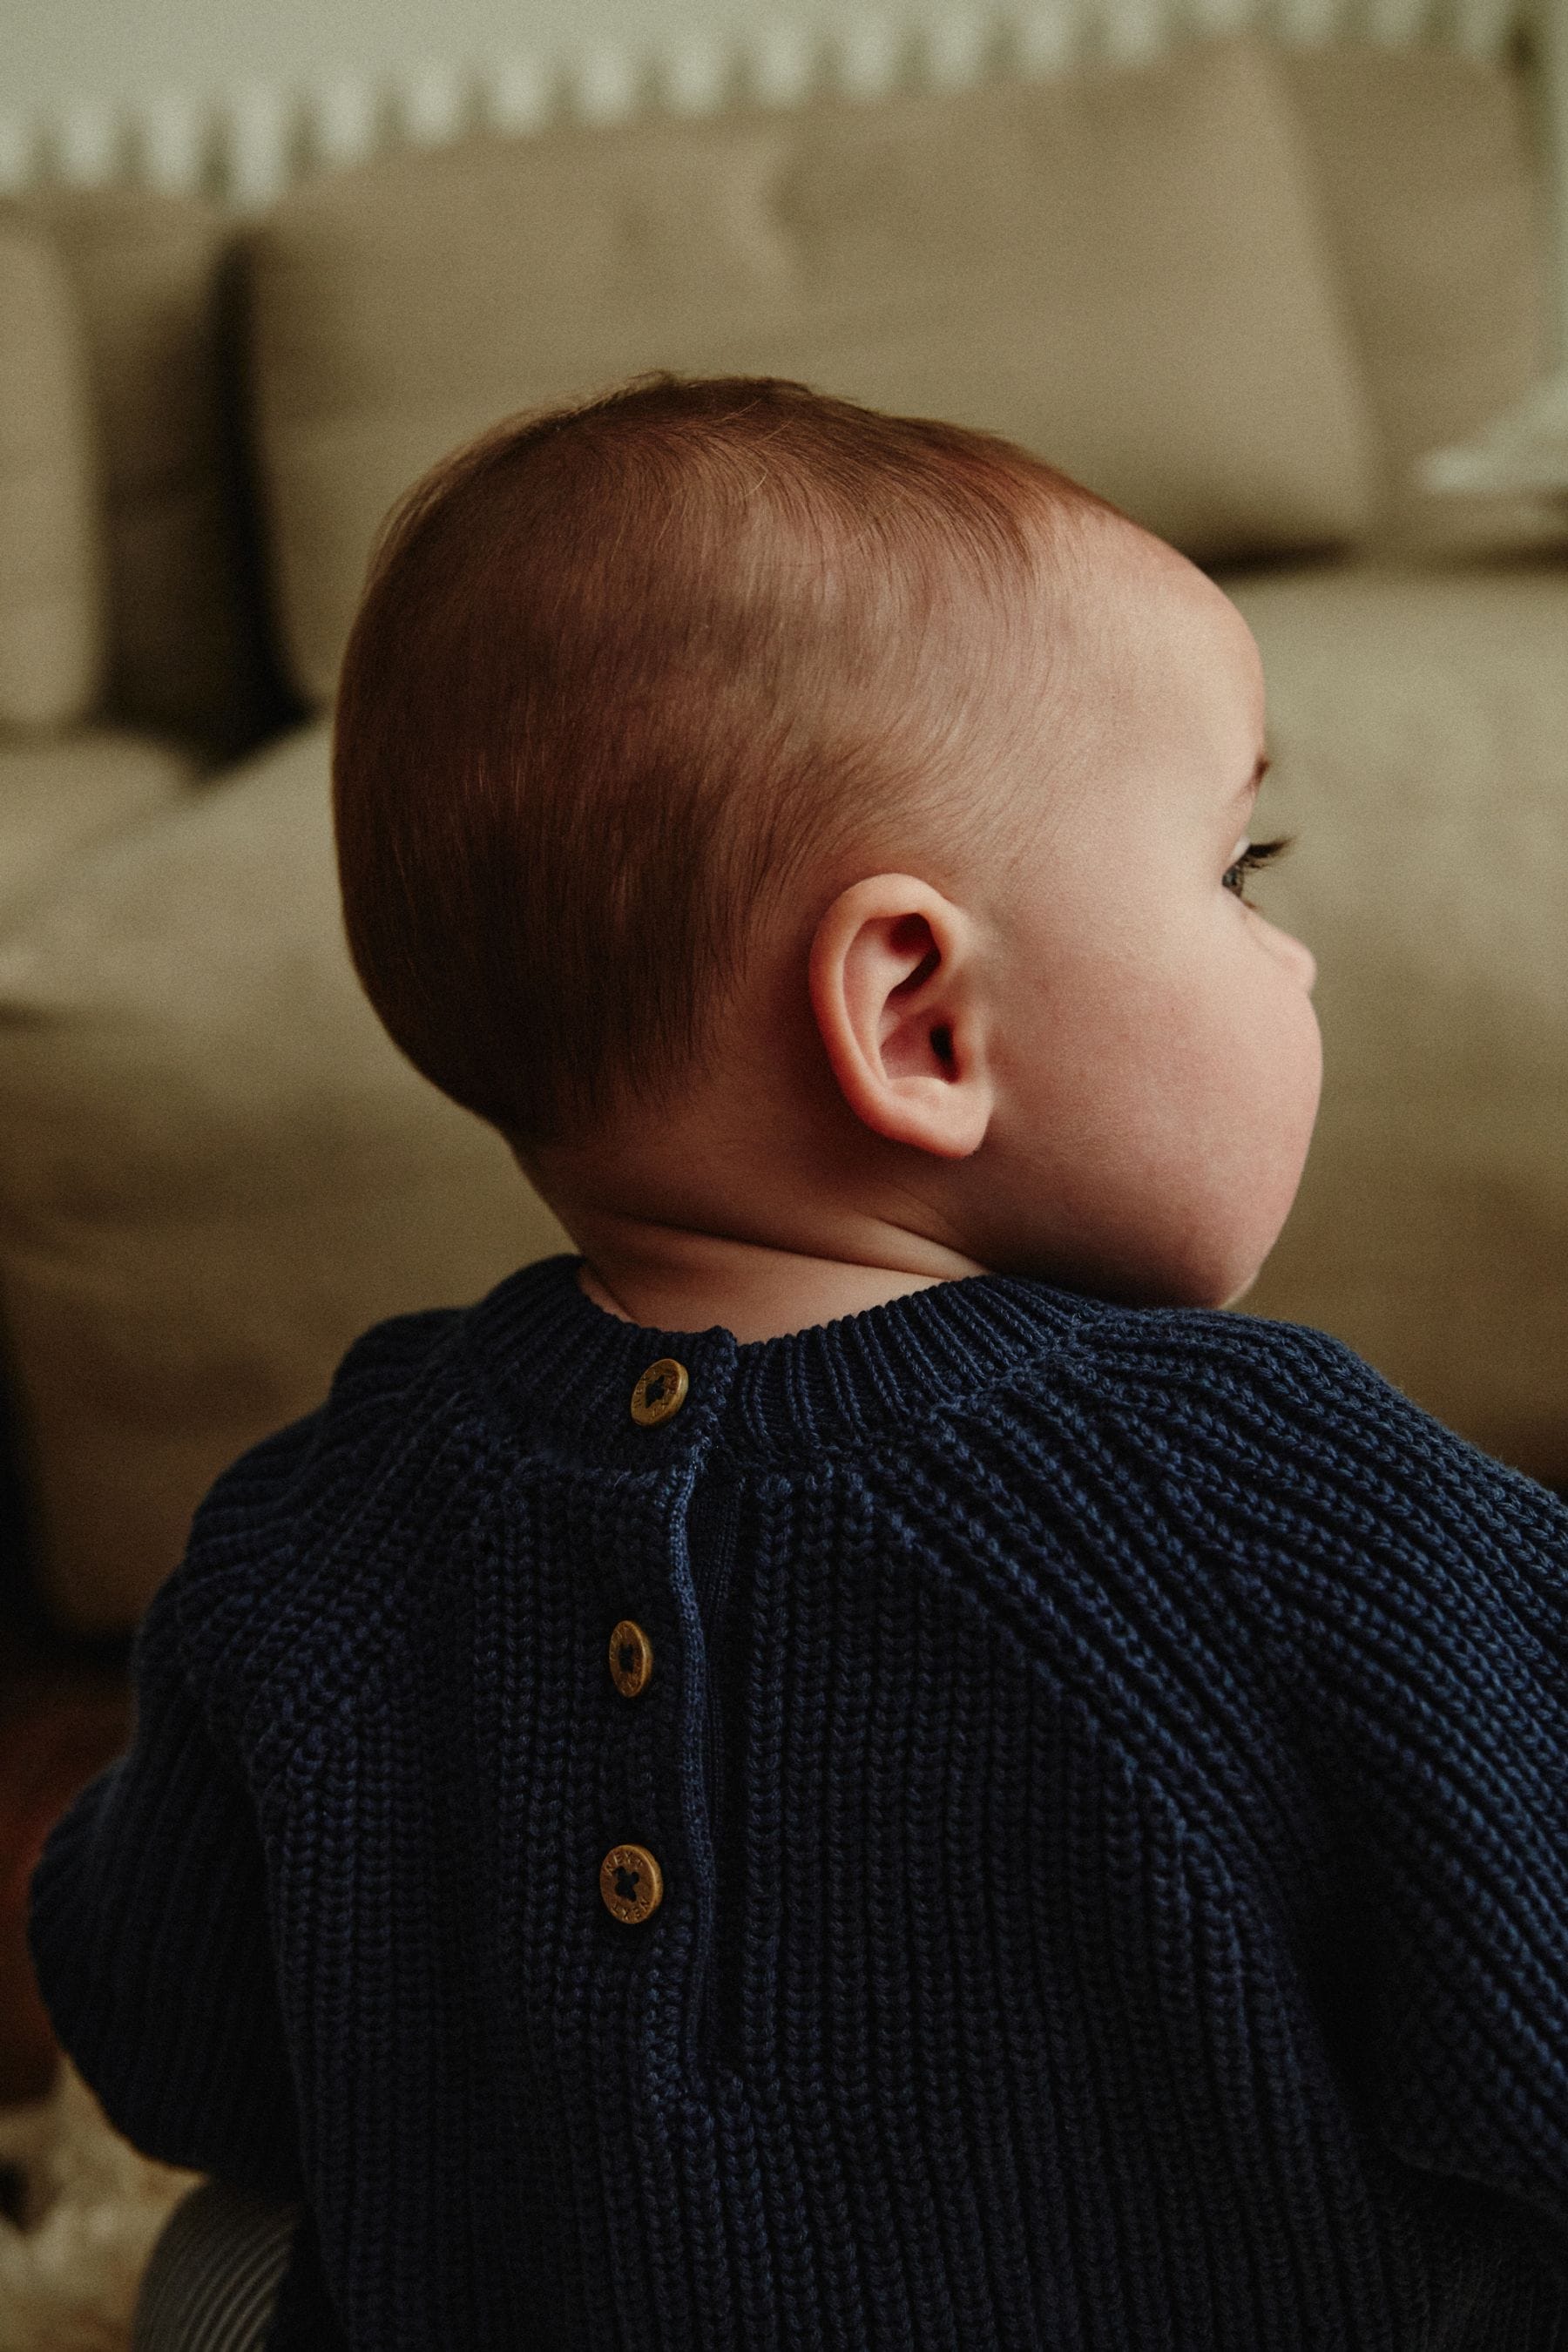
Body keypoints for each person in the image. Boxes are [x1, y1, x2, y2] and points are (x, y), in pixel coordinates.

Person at [29, 373, 1568, 2350]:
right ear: (918, 1016)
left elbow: (169, 2049)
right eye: (1234, 873)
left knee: (221, 2269)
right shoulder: (1279, 1495)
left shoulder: (323, 1525)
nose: (1296, 959)